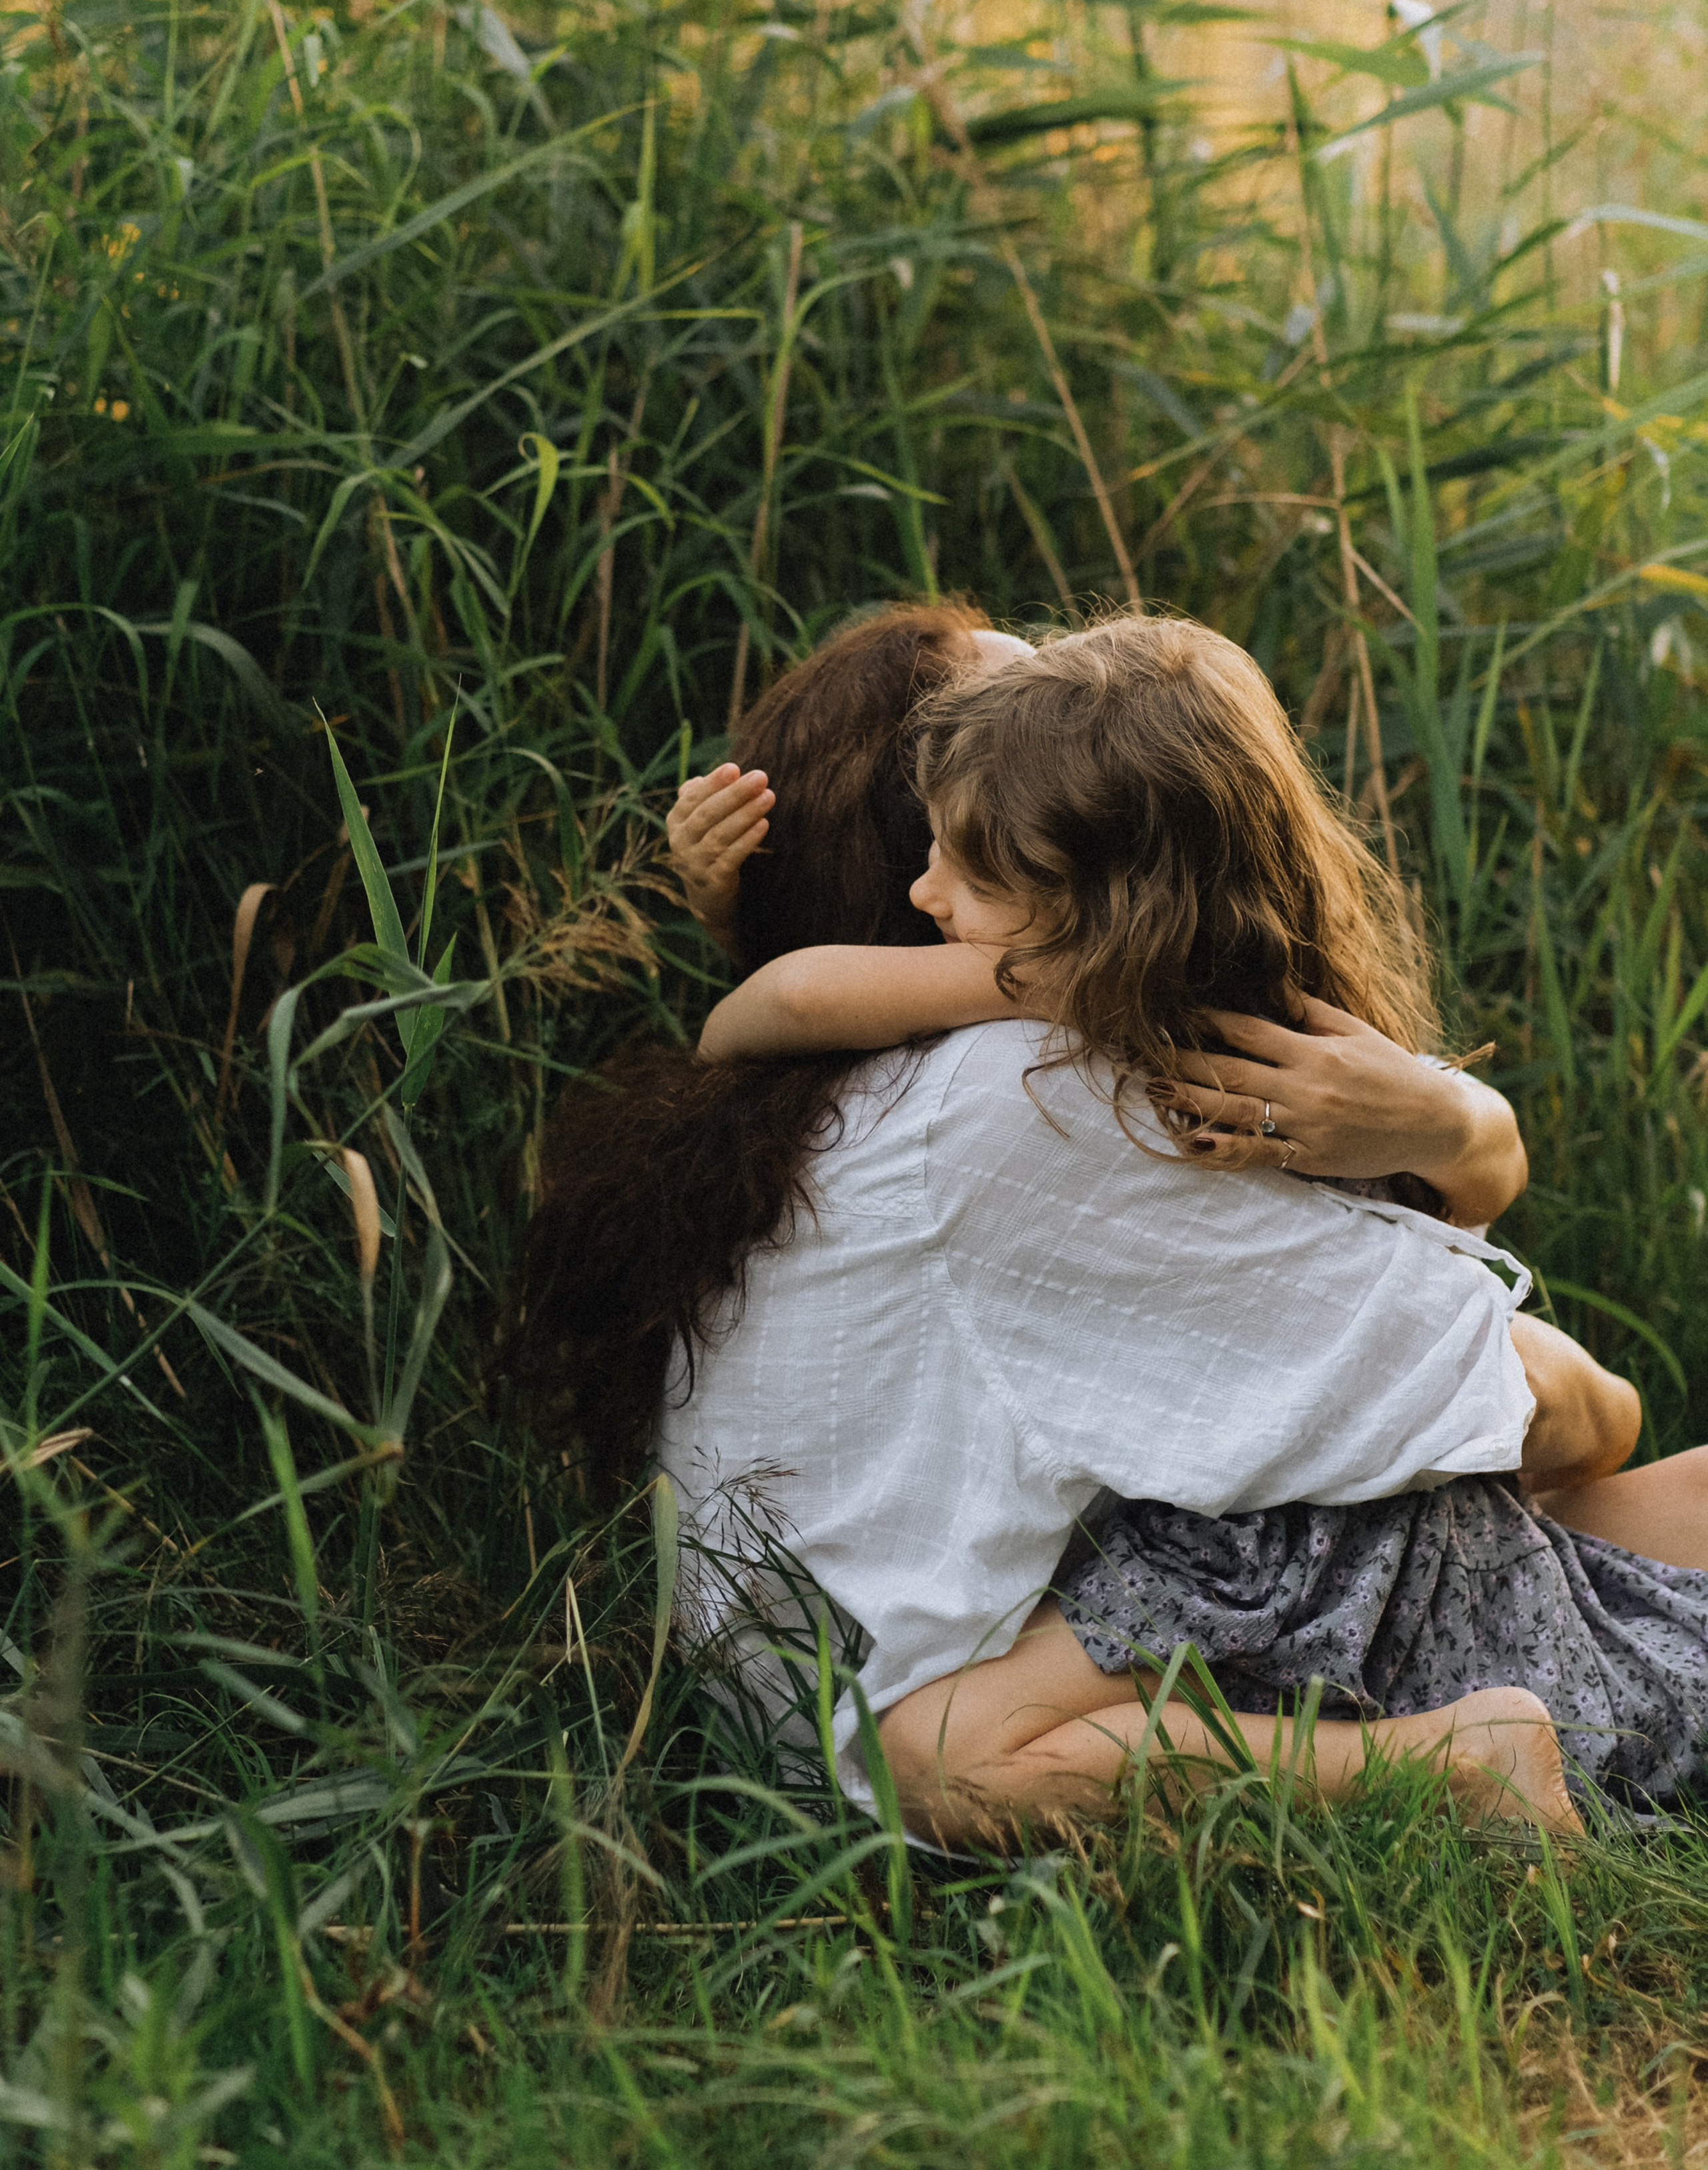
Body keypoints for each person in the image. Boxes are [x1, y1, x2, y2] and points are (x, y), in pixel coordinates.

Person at [664, 615, 1708, 1844]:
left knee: (1504, 1548)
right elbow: (1543, 1410)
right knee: (1479, 1509)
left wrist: (1450, 1121)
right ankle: (1470, 1761)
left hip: (1041, 1636)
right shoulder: (1030, 1097)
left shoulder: (860, 1094)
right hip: (977, 1698)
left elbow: (776, 1001)